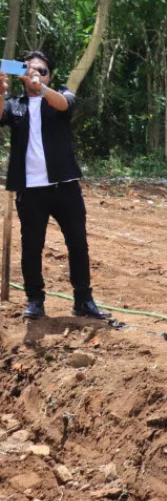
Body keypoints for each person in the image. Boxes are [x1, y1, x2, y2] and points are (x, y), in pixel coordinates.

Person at [1, 51, 107, 321]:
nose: (36, 75)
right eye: (30, 71)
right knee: (31, 246)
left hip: (65, 186)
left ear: (51, 75)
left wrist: (43, 88)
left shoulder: (60, 97)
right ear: (21, 76)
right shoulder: (15, 104)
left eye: (42, 71)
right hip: (31, 190)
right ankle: (35, 300)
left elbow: (65, 105)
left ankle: (83, 299)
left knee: (78, 244)